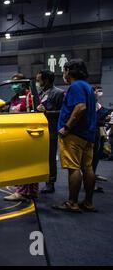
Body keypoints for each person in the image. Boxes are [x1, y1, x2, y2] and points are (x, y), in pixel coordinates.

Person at [53, 59, 97, 213]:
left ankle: (72, 202)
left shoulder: (76, 86)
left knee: (74, 168)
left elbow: (80, 107)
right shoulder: (88, 87)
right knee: (88, 168)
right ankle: (88, 202)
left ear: (69, 71)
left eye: (64, 70)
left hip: (74, 134)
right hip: (88, 134)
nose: (63, 74)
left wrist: (66, 127)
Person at [4, 74, 39, 201]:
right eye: (12, 83)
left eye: (16, 83)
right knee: (22, 161)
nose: (13, 86)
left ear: (23, 83)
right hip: (16, 133)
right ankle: (29, 191)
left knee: (25, 163)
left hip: (27, 133)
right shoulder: (15, 98)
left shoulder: (30, 96)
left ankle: (23, 192)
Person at [36, 70, 65, 194]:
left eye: (39, 80)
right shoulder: (40, 93)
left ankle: (50, 183)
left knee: (50, 157)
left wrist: (47, 113)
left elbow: (63, 112)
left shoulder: (58, 93)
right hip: (39, 129)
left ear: (46, 80)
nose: (37, 82)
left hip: (51, 130)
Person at [92, 86, 110, 186]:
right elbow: (94, 120)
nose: (99, 92)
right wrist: (104, 119)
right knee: (91, 157)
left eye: (100, 90)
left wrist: (106, 117)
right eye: (97, 91)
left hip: (100, 131)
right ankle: (89, 179)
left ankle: (93, 174)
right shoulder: (89, 104)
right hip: (92, 132)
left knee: (97, 155)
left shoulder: (98, 105)